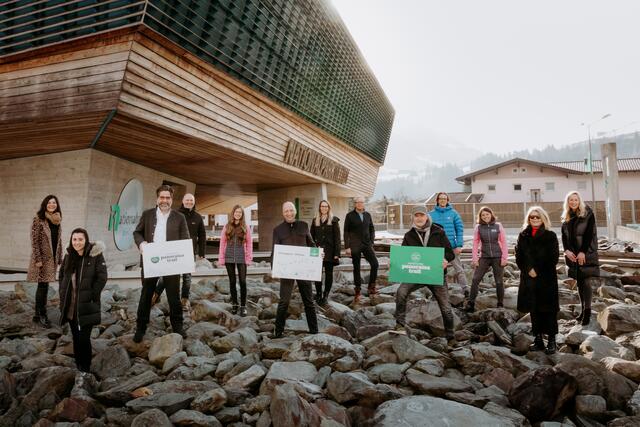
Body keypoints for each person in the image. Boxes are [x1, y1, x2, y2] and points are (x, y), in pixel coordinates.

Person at [132, 185, 190, 342]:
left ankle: (177, 326)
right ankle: (141, 327)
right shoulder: (147, 215)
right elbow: (137, 232)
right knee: (146, 294)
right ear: (157, 198)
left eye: (168, 198)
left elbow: (185, 239)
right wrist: (142, 244)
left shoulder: (179, 217)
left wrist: (186, 261)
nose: (164, 200)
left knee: (174, 296)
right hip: (151, 260)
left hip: (171, 261)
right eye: (162, 197)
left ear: (172, 199)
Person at [394, 206, 457, 344]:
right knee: (401, 292)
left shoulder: (438, 232)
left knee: (446, 307)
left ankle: (451, 337)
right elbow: (404, 256)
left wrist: (445, 260)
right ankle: (399, 326)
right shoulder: (409, 235)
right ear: (413, 218)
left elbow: (450, 253)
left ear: (427, 217)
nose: (419, 218)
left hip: (436, 275)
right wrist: (395, 262)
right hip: (416, 274)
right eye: (416, 216)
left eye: (421, 215)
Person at [58, 229, 107, 372]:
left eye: (80, 239)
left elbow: (102, 277)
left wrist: (92, 294)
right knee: (75, 337)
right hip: (71, 305)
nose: (77, 242)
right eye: (74, 239)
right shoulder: (69, 256)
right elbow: (62, 276)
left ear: (86, 240)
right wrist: (62, 293)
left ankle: (86, 367)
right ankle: (79, 365)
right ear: (71, 240)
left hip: (86, 305)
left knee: (84, 338)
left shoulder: (95, 255)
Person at [515, 206, 559, 355]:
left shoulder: (550, 235)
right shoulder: (523, 235)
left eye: (537, 217)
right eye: (532, 217)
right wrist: (528, 269)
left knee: (549, 310)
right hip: (529, 279)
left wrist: (537, 270)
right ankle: (538, 339)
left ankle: (552, 340)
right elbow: (519, 256)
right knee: (534, 310)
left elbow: (553, 258)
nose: (534, 219)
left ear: (543, 218)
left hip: (546, 279)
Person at [271, 201, 318, 338]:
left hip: (303, 268)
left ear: (295, 211)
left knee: (308, 301)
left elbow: (311, 245)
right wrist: (275, 269)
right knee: (284, 301)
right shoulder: (278, 230)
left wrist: (318, 254)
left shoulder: (304, 225)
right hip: (287, 269)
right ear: (283, 213)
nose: (289, 213)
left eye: (291, 210)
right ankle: (278, 332)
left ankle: (314, 331)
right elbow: (275, 252)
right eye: (286, 211)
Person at [152, 193, 206, 311]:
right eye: (187, 200)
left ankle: (184, 300)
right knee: (168, 273)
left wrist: (201, 251)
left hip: (189, 250)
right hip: (174, 249)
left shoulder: (197, 217)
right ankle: (155, 295)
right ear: (183, 201)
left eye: (191, 200)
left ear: (194, 202)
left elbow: (202, 235)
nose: (189, 202)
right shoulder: (175, 214)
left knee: (187, 277)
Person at [561, 191, 599, 325]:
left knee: (586, 281)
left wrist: (583, 252)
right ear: (568, 202)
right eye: (571, 200)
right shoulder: (566, 216)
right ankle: (582, 310)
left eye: (575, 200)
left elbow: (590, 234)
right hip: (572, 255)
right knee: (579, 281)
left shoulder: (588, 214)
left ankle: (587, 313)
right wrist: (566, 250)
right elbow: (564, 237)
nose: (573, 202)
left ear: (579, 201)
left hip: (586, 252)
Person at [27, 195, 63, 328]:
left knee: (45, 286)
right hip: (42, 259)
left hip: (52, 258)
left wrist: (59, 257)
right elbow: (34, 241)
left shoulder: (57, 220)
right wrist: (38, 259)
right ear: (45, 204)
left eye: (54, 203)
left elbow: (59, 240)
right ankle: (41, 315)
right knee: (42, 287)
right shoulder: (39, 219)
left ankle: (38, 314)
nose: (52, 205)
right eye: (49, 203)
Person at [466, 206, 508, 312]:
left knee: (499, 281)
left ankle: (500, 304)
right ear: (480, 217)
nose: (485, 216)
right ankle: (471, 303)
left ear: (491, 214)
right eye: (483, 215)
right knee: (475, 279)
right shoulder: (478, 227)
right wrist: (475, 258)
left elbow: (504, 242)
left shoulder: (498, 226)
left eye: (487, 214)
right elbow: (475, 243)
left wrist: (504, 257)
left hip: (497, 257)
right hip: (484, 256)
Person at [429, 192, 468, 294]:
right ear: (437, 200)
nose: (443, 200)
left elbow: (459, 230)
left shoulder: (454, 214)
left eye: (445, 199)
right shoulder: (431, 215)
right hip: (437, 249)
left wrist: (459, 245)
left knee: (459, 270)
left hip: (452, 247)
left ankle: (466, 289)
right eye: (441, 198)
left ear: (447, 201)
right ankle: (440, 292)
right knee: (439, 271)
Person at [219, 205, 253, 316]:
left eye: (240, 212)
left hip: (241, 258)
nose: (238, 214)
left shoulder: (245, 227)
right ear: (233, 213)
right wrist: (221, 258)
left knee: (243, 282)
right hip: (229, 258)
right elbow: (222, 243)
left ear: (242, 214)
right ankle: (235, 304)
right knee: (232, 282)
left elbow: (249, 244)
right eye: (236, 212)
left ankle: (243, 306)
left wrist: (248, 258)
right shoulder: (227, 226)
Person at [344, 196, 378, 303]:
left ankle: (371, 287)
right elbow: (346, 232)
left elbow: (371, 228)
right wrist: (347, 246)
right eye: (358, 202)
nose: (360, 204)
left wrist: (372, 241)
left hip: (367, 244)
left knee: (375, 264)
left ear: (364, 204)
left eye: (362, 202)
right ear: (355, 204)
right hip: (355, 245)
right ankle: (357, 291)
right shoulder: (349, 216)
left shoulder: (367, 215)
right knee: (356, 267)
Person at [310, 200, 341, 306]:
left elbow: (337, 238)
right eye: (322, 206)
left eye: (326, 206)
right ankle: (318, 294)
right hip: (318, 251)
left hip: (330, 251)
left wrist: (337, 253)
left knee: (329, 274)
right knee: (317, 274)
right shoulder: (315, 221)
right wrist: (313, 248)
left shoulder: (333, 220)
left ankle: (326, 295)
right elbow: (310, 237)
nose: (324, 208)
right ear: (319, 208)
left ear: (329, 208)